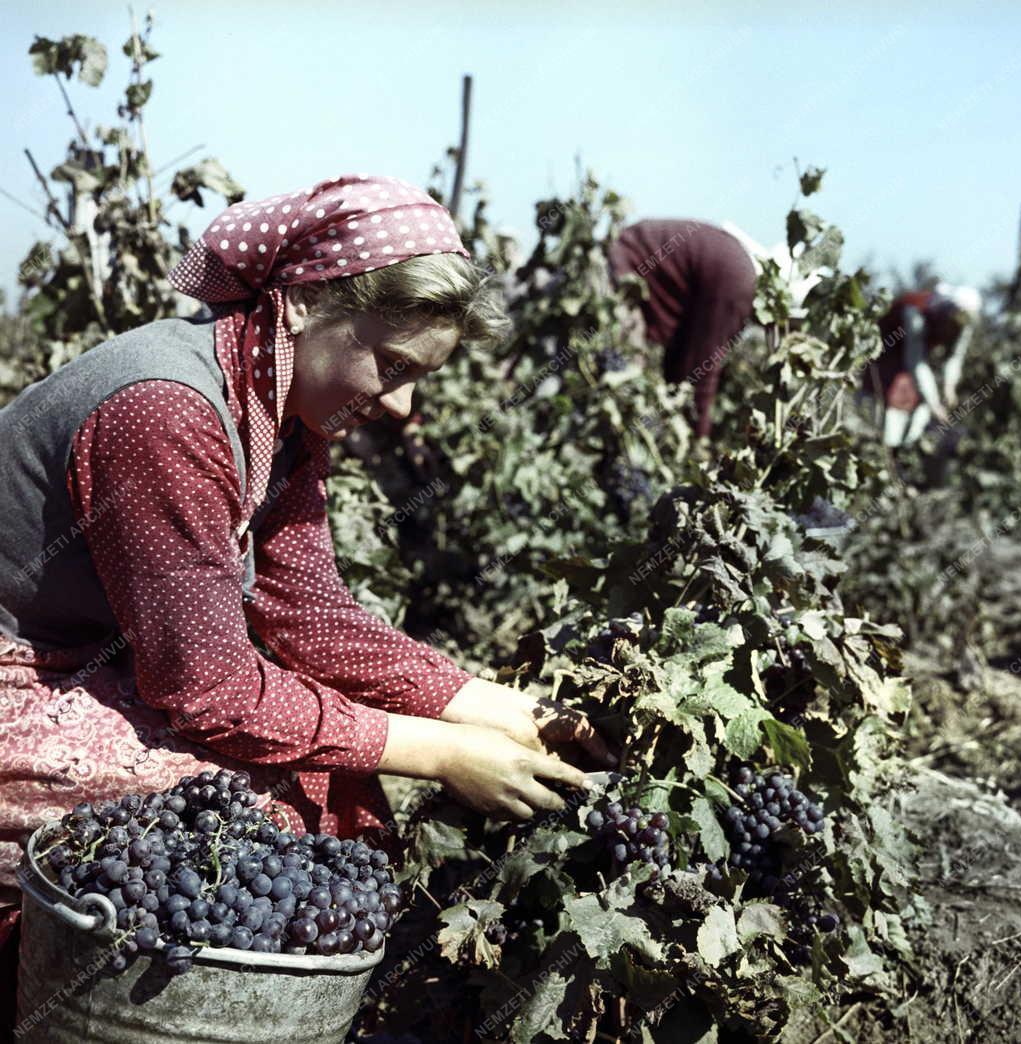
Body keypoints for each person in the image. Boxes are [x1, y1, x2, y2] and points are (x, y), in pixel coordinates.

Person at [0, 175, 616, 936]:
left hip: (95, 662)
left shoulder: (279, 412)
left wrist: (506, 711)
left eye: (419, 379)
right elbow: (209, 690)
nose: (401, 408)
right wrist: (445, 754)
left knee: (326, 785)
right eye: (391, 366)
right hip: (19, 679)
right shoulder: (166, 411)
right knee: (229, 826)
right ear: (300, 304)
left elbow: (312, 617)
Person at [606, 219, 758, 438]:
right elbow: (701, 370)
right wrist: (699, 442)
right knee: (624, 391)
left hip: (622, 258)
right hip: (619, 276)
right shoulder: (740, 285)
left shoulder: (736, 265)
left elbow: (681, 359)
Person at [863, 282, 982, 448]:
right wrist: (934, 404)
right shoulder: (914, 314)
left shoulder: (964, 324)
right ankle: (883, 445)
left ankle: (906, 446)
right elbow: (915, 362)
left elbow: (955, 356)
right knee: (892, 396)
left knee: (917, 398)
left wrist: (949, 386)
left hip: (913, 355)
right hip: (888, 350)